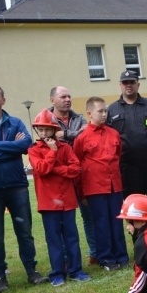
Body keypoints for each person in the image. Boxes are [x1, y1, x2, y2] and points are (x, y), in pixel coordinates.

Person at [0, 86, 46, 293]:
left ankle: (32, 271)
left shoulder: (15, 122)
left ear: (3, 100)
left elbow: (25, 145)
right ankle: (0, 276)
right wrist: (9, 148)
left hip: (17, 186)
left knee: (25, 232)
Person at [28, 109, 90, 286]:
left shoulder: (66, 147)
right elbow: (41, 170)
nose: (43, 133)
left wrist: (56, 169)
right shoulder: (34, 150)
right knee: (54, 239)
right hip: (48, 203)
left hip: (67, 201)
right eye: (40, 130)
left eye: (47, 129)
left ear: (54, 130)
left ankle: (76, 270)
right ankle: (57, 273)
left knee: (72, 237)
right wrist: (52, 153)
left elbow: (75, 169)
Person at [74, 97, 129, 271]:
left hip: (114, 185)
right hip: (94, 187)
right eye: (100, 111)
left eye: (106, 111)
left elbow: (118, 155)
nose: (105, 114)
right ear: (89, 113)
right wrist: (81, 193)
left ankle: (122, 255)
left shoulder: (113, 134)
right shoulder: (82, 138)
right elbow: (77, 164)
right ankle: (106, 259)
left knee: (116, 221)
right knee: (101, 223)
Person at [107, 70, 147, 220]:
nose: (129, 85)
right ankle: (138, 237)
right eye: (125, 83)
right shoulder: (112, 109)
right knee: (133, 203)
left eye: (132, 82)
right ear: (120, 85)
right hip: (128, 167)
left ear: (138, 84)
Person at [48, 86, 97, 264]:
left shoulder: (79, 118)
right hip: (59, 176)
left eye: (69, 96)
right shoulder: (46, 119)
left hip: (81, 173)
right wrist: (76, 135)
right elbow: (49, 141)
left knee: (88, 215)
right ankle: (67, 259)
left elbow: (85, 138)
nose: (67, 99)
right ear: (52, 100)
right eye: (63, 97)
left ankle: (95, 252)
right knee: (63, 220)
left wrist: (66, 134)